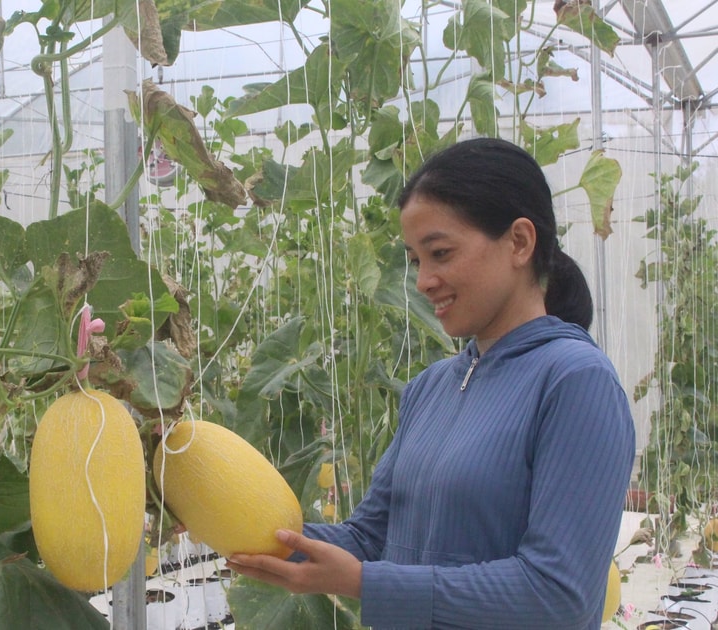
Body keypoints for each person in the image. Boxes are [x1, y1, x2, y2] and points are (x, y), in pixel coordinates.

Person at [226, 137, 636, 629]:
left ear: (520, 242)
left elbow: (558, 595)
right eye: (417, 260)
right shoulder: (429, 388)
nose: (423, 281)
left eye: (440, 253)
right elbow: (369, 539)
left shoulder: (576, 381)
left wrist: (365, 583)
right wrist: (230, 521)